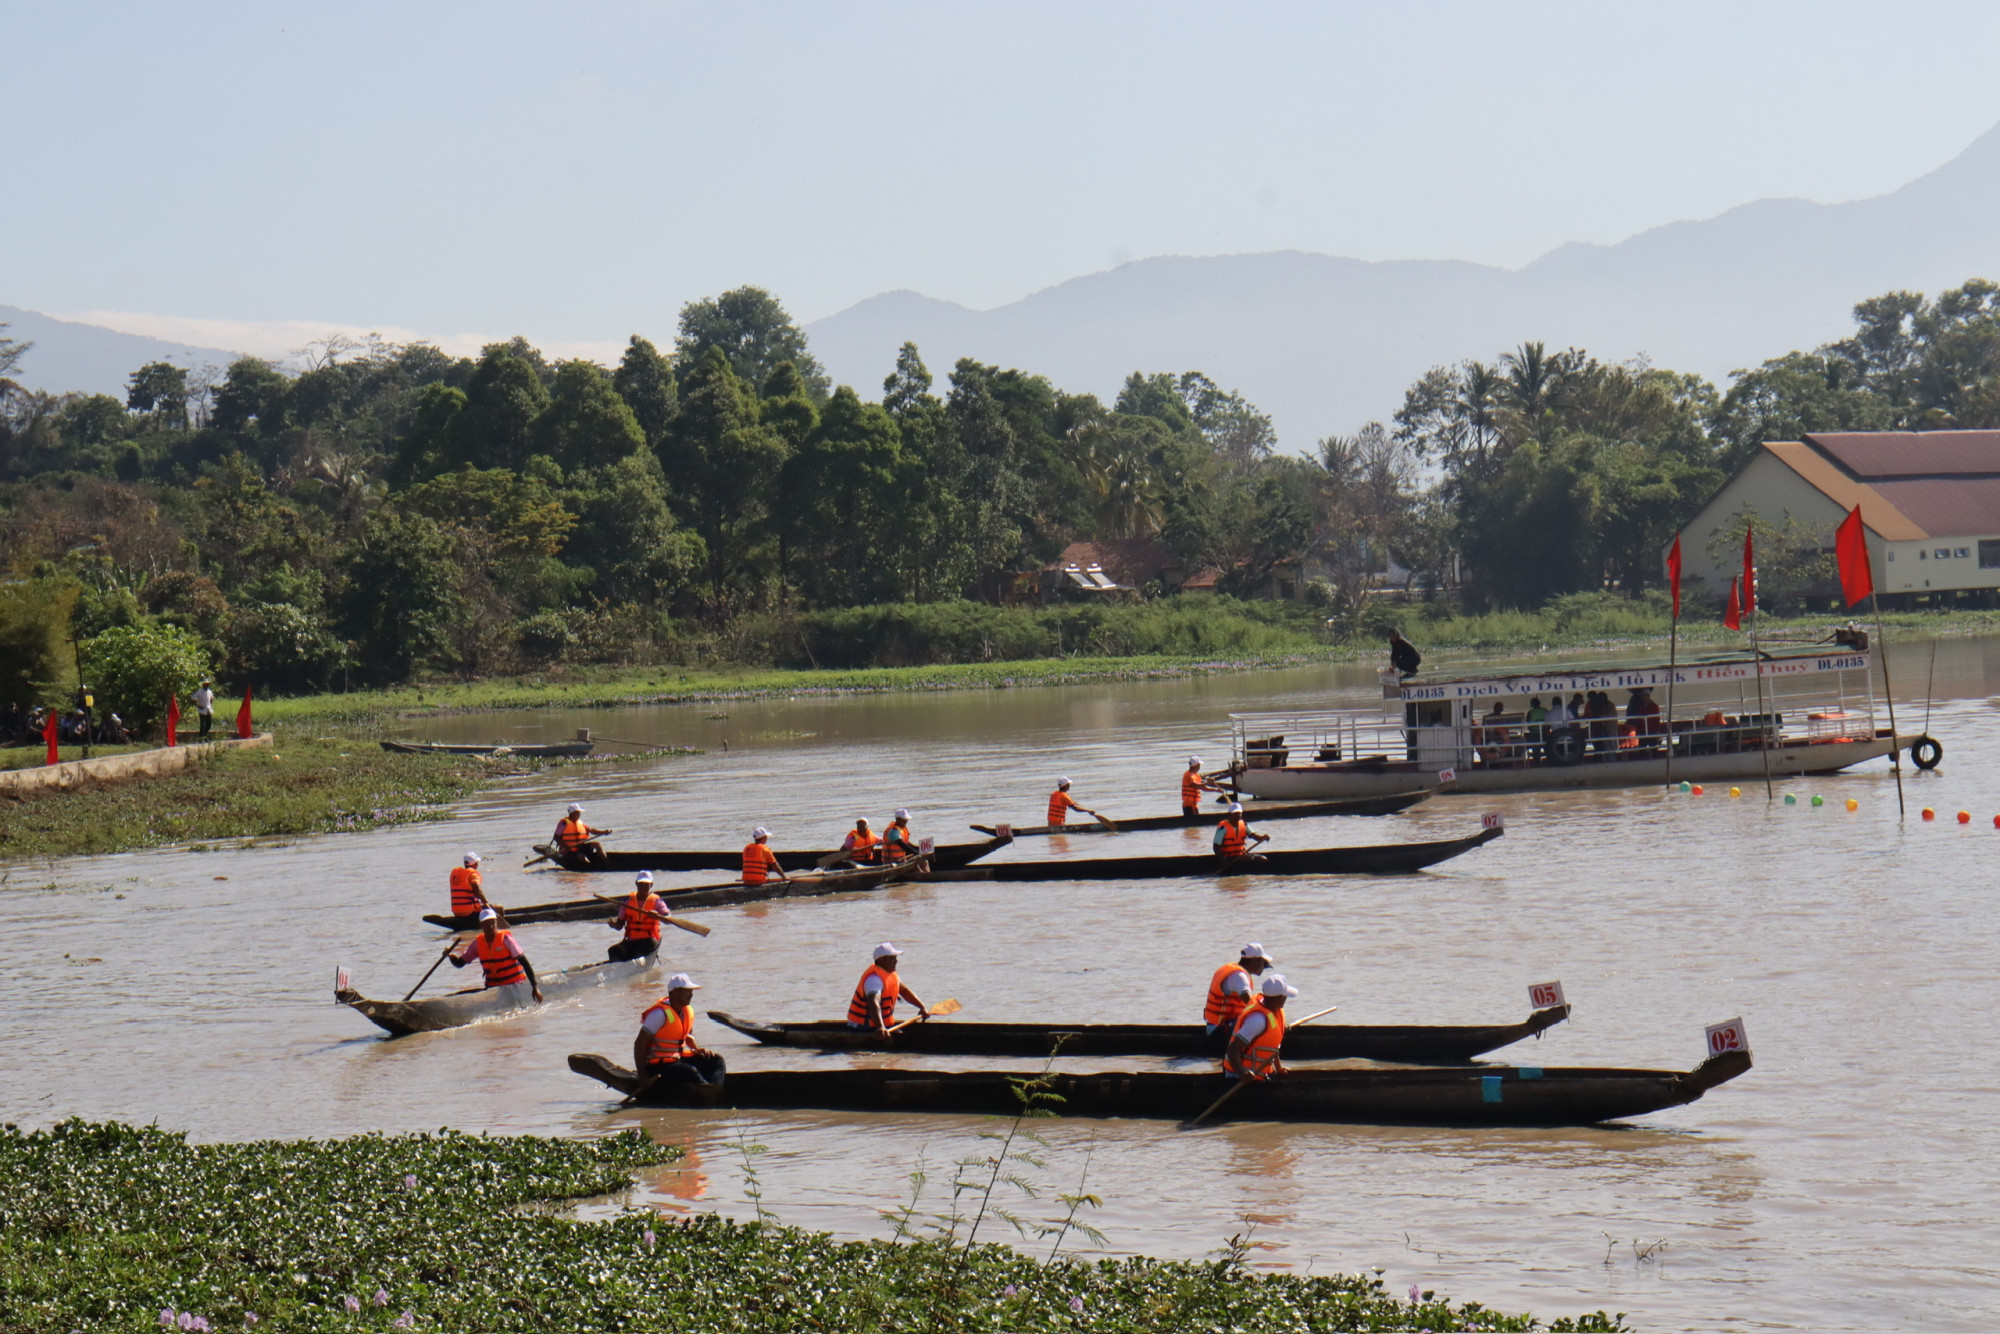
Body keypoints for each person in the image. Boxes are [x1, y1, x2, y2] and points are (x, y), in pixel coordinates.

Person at [632, 973, 726, 1094]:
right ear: (674, 992)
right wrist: (642, 1076)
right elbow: (639, 1044)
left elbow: (687, 1036)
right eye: (687, 991)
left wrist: (696, 1049)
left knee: (716, 1061)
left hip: (677, 1059)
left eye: (691, 991)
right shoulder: (659, 1015)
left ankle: (716, 1091)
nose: (691, 994)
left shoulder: (686, 1011)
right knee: (690, 1071)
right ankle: (708, 1094)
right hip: (659, 1066)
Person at [449, 908, 543, 1002]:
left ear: (496, 923)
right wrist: (450, 957)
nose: (490, 926)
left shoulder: (506, 940)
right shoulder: (477, 944)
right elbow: (460, 963)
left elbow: (525, 963)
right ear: (481, 925)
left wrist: (535, 987)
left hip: (513, 984)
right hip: (492, 987)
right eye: (486, 923)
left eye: (492, 922)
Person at [847, 941, 930, 1036]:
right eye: (892, 958)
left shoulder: (892, 975)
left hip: (878, 1025)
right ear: (882, 960)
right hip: (862, 1026)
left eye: (895, 958)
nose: (896, 961)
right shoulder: (874, 979)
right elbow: (873, 1003)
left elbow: (904, 991)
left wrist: (922, 1007)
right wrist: (880, 1027)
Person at [1224, 973, 1298, 1079]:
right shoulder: (1258, 1021)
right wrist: (1241, 1072)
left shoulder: (1274, 1013)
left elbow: (1272, 1046)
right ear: (1281, 998)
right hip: (1238, 1076)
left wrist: (1278, 1067)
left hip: (1257, 1075)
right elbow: (1232, 1049)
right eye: (1285, 996)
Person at [1204, 944, 1275, 1050]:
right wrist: (1271, 1018)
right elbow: (1250, 1001)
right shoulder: (1239, 976)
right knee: (1259, 1020)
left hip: (1216, 1027)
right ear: (1254, 960)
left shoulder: (1233, 970)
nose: (1263, 966)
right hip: (1220, 1030)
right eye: (1262, 962)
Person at [607, 870, 666, 962]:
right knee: (613, 951)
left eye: (646, 884)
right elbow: (619, 926)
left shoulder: (657, 902)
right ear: (636, 884)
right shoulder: (627, 901)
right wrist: (613, 924)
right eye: (641, 884)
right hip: (631, 941)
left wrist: (658, 915)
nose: (643, 887)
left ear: (651, 885)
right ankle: (616, 968)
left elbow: (667, 917)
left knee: (646, 947)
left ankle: (637, 963)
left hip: (649, 941)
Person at [449, 851, 488, 917]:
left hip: (456, 912)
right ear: (475, 864)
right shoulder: (473, 874)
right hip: (470, 912)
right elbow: (478, 891)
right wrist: (485, 903)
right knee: (499, 908)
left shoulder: (455, 873)